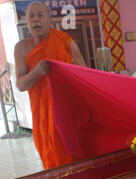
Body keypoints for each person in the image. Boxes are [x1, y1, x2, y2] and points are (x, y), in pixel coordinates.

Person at [14, 2, 87, 169]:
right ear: (26, 21)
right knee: (51, 157)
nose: (35, 20)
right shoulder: (21, 48)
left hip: (68, 112)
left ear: (50, 20)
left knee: (74, 156)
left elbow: (84, 78)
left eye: (40, 15)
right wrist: (36, 72)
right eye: (31, 16)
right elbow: (20, 85)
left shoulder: (66, 43)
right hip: (43, 115)